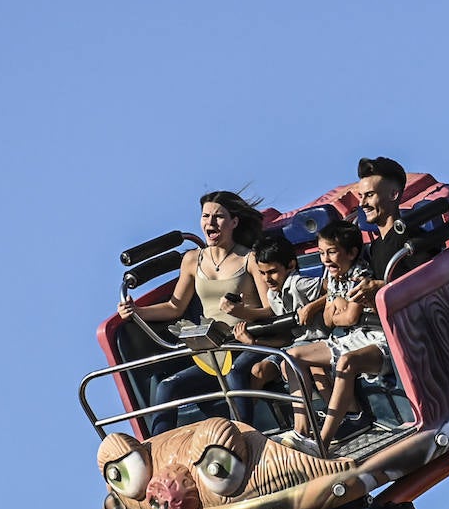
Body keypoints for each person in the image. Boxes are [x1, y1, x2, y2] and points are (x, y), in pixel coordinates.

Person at [117, 190, 266, 434]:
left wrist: (241, 311)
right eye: (206, 216)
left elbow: (269, 309)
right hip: (212, 350)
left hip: (242, 342)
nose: (210, 222)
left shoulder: (249, 259)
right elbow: (175, 307)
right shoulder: (192, 260)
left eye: (218, 216)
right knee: (167, 387)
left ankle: (244, 439)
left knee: (236, 376)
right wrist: (136, 311)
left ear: (234, 222)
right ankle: (158, 450)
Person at [278, 219, 384, 456]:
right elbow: (329, 318)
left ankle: (322, 445)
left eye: (332, 252)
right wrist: (339, 305)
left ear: (352, 253)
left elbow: (349, 318)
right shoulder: (333, 275)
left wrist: (337, 306)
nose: (325, 259)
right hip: (352, 337)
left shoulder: (360, 274)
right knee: (291, 357)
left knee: (346, 362)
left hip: (375, 337)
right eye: (321, 253)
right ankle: (301, 431)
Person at [231, 231, 325, 393]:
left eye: (272, 271)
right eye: (262, 273)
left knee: (293, 365)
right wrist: (253, 343)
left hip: (318, 342)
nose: (267, 279)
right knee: (258, 371)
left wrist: (312, 307)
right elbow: (286, 339)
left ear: (291, 265)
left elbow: (335, 289)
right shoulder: (272, 295)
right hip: (295, 344)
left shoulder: (298, 283)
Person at [347, 156, 441, 308]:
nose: (362, 203)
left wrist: (383, 287)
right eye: (361, 196)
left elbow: (433, 283)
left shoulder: (411, 237)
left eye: (370, 195)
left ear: (393, 195)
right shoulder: (375, 248)